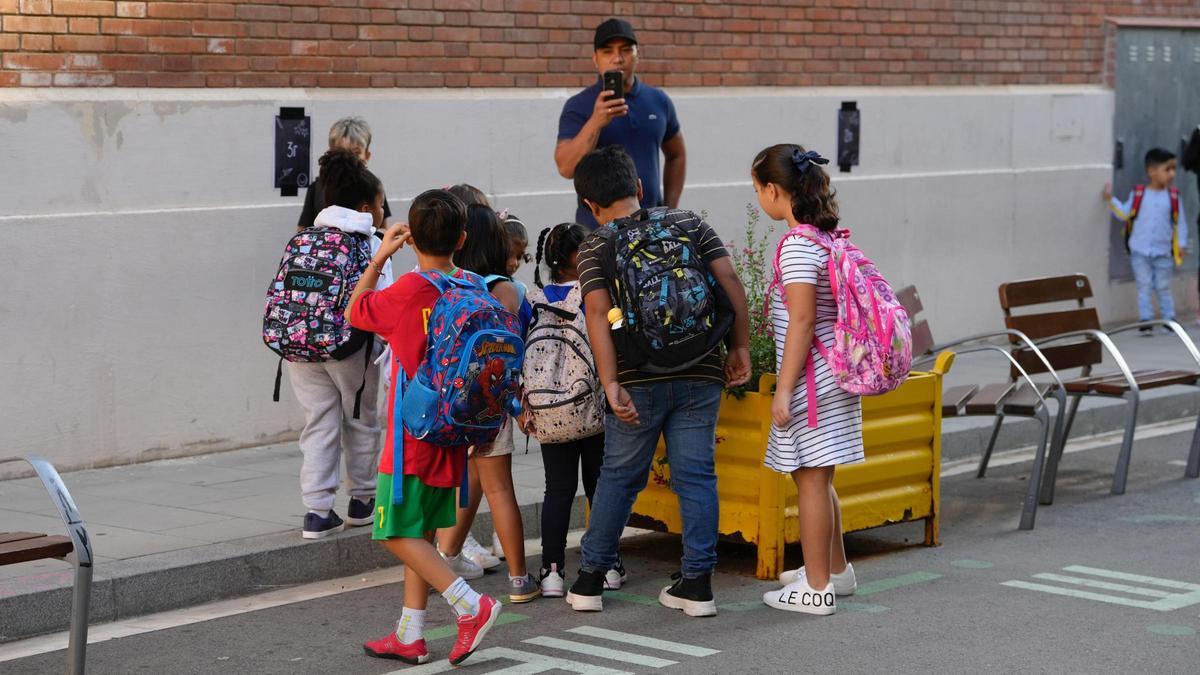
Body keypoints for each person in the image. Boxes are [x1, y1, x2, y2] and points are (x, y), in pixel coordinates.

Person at [565, 146, 751, 616]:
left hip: (636, 378)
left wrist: (610, 383)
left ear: (590, 205)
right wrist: (740, 347)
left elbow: (596, 314)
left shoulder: (595, 246)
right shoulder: (688, 222)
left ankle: (589, 581)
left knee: (620, 478)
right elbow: (730, 278)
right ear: (640, 188)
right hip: (702, 368)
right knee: (696, 477)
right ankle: (697, 584)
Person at [347, 190, 501, 666]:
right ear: (462, 238)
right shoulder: (474, 285)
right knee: (421, 533)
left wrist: (379, 257)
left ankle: (469, 606)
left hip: (411, 432)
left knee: (393, 532)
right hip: (456, 431)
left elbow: (356, 311)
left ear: (411, 239)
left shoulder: (406, 292)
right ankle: (409, 634)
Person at [751, 144, 862, 615]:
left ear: (775, 190)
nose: (758, 197)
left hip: (812, 383)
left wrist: (784, 388)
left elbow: (799, 321)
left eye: (757, 189)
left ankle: (816, 590)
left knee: (810, 480)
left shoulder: (797, 245)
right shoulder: (825, 237)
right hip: (833, 375)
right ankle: (836, 571)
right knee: (822, 476)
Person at [435, 205, 541, 604]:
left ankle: (446, 555)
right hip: (495, 405)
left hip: (457, 404)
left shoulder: (455, 285)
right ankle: (518, 578)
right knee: (499, 489)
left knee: (469, 480)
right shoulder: (508, 289)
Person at [286, 149, 391, 539]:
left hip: (299, 345)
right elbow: (382, 301)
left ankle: (316, 511)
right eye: (381, 204)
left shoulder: (306, 239)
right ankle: (362, 501)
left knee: (319, 422)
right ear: (367, 207)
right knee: (361, 420)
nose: (383, 211)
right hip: (352, 347)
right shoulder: (370, 243)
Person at [526, 223, 619, 598]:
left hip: (550, 412)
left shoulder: (533, 299)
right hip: (592, 408)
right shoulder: (593, 295)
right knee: (600, 485)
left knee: (557, 490)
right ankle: (608, 566)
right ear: (577, 258)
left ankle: (551, 572)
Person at [555, 18, 686, 229]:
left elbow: (677, 154)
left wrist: (669, 210)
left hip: (652, 227)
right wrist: (596, 122)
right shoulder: (579, 106)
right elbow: (565, 167)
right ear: (595, 59)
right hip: (598, 231)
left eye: (626, 50)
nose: (618, 58)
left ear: (637, 54)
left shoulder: (658, 100)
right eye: (608, 51)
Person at [1104, 148, 1189, 335]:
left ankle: (1169, 318)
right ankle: (1146, 319)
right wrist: (1110, 200)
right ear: (1151, 171)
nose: (1172, 174)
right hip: (1140, 250)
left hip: (1163, 252)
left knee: (1163, 285)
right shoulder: (1139, 194)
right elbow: (1125, 213)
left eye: (1174, 169)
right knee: (1144, 284)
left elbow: (1180, 223)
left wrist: (1181, 244)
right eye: (1167, 169)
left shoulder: (1173, 197)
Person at [297, 117, 393, 231]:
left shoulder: (373, 186)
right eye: (342, 152)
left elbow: (383, 228)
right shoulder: (318, 187)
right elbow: (302, 231)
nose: (349, 159)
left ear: (367, 156)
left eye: (356, 152)